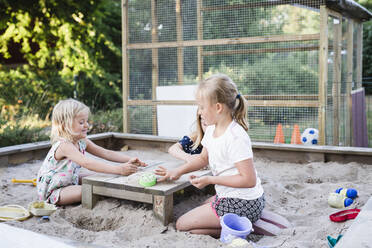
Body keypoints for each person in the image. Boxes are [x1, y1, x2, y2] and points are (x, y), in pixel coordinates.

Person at [155, 74, 289, 237]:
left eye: (202, 107)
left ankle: (244, 226)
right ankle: (246, 221)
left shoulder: (235, 137)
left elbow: (248, 180)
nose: (199, 112)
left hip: (244, 202)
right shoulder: (212, 129)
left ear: (218, 107)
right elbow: (203, 158)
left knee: (182, 225)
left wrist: (211, 180)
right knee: (205, 204)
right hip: (232, 197)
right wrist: (176, 172)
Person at [37, 99, 146, 205]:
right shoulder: (64, 145)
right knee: (87, 190)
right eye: (81, 122)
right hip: (55, 189)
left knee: (99, 176)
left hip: (69, 179)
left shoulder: (81, 141)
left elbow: (105, 153)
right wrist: (119, 169)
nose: (86, 125)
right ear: (65, 125)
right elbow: (87, 163)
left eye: (86, 121)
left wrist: (129, 159)